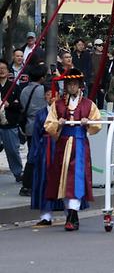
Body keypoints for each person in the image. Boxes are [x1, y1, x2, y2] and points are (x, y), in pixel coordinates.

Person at [44, 69, 101, 231]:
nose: (72, 87)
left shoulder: (88, 104)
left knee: (75, 179)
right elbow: (49, 124)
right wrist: (58, 124)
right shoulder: (58, 104)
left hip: (80, 145)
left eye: (75, 84)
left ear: (80, 86)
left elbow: (97, 123)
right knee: (62, 179)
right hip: (62, 145)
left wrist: (87, 122)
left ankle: (73, 215)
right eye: (69, 84)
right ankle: (69, 213)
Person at [28, 84, 68, 226]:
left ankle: (70, 213)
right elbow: (36, 135)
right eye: (48, 94)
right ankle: (46, 215)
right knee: (44, 180)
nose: (51, 97)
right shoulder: (40, 114)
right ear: (45, 96)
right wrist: (34, 155)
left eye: (54, 94)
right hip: (45, 148)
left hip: (61, 146)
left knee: (63, 179)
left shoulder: (65, 112)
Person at [18, 63, 48, 196]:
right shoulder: (43, 90)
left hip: (29, 126)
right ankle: (28, 184)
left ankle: (28, 183)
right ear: (42, 77)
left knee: (32, 153)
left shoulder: (24, 90)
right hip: (42, 126)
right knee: (37, 155)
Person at [0, 59, 24, 183]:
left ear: (8, 71)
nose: (1, 70)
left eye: (3, 68)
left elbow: (20, 105)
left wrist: (10, 105)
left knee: (12, 150)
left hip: (9, 123)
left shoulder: (14, 87)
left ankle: (18, 172)